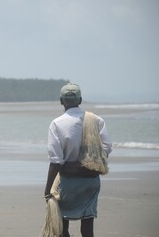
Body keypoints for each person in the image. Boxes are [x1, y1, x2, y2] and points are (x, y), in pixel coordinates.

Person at [44, 83, 112, 237]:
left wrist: (47, 190)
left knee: (63, 225)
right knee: (88, 226)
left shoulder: (56, 124)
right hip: (90, 181)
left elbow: (56, 161)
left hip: (68, 181)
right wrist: (88, 165)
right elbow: (106, 147)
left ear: (61, 101)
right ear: (80, 100)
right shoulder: (96, 120)